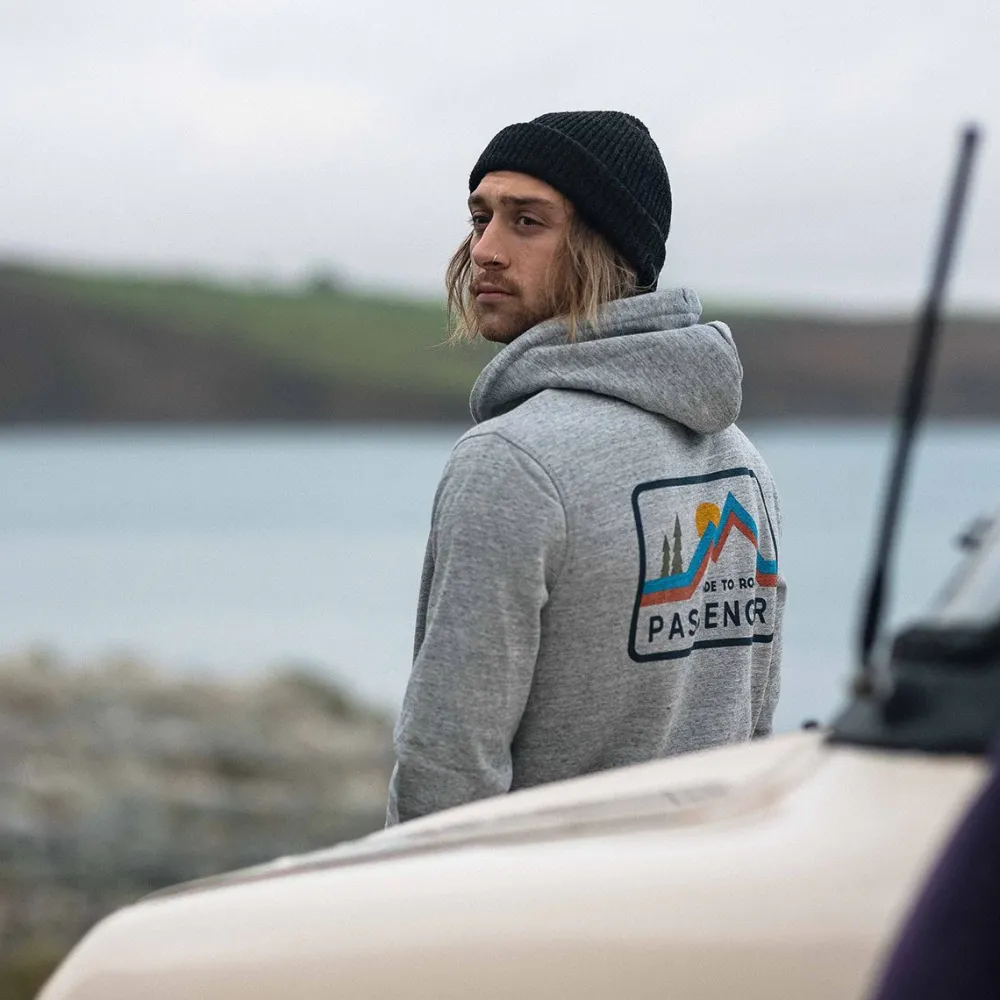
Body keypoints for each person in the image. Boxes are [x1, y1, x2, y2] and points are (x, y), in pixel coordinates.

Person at [386, 111, 785, 826]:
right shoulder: (742, 464)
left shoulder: (510, 464)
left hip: (547, 894)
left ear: (608, 248)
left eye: (527, 222)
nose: (485, 251)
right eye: (480, 218)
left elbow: (447, 768)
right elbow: (754, 729)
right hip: (709, 883)